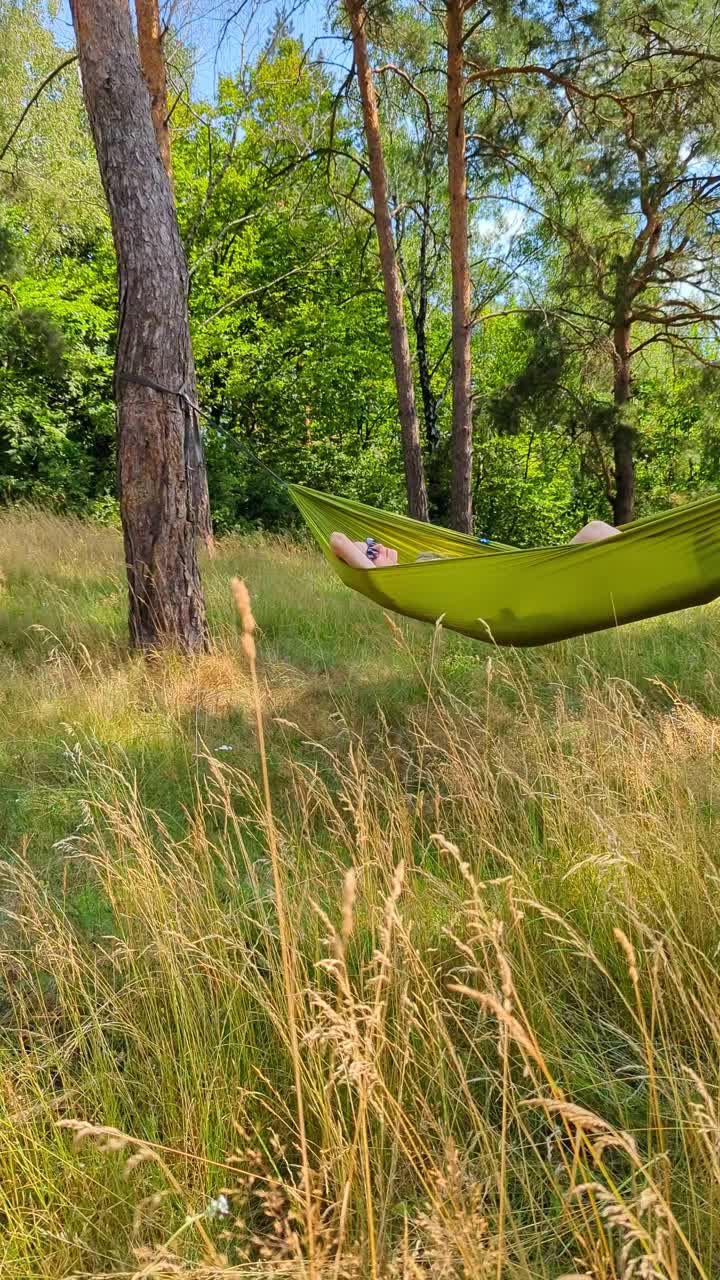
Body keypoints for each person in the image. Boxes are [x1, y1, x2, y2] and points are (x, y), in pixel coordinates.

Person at [329, 520, 619, 570]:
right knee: (595, 531)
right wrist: (359, 557)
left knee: (597, 530)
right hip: (520, 586)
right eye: (367, 552)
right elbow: (337, 540)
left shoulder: (418, 562)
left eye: (371, 543)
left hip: (522, 569)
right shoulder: (392, 581)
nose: (375, 546)